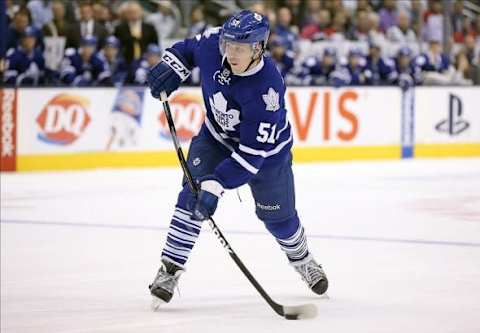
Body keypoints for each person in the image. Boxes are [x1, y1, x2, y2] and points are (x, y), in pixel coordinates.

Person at [146, 10, 329, 306]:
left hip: (266, 155)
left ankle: (302, 259)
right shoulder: (214, 43)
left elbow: (251, 157)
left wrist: (216, 186)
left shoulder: (267, 91)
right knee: (191, 196)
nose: (230, 52)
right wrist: (173, 66)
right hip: (215, 138)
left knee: (279, 219)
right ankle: (169, 269)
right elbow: (188, 49)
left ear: (258, 48)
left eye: (240, 48)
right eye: (228, 45)